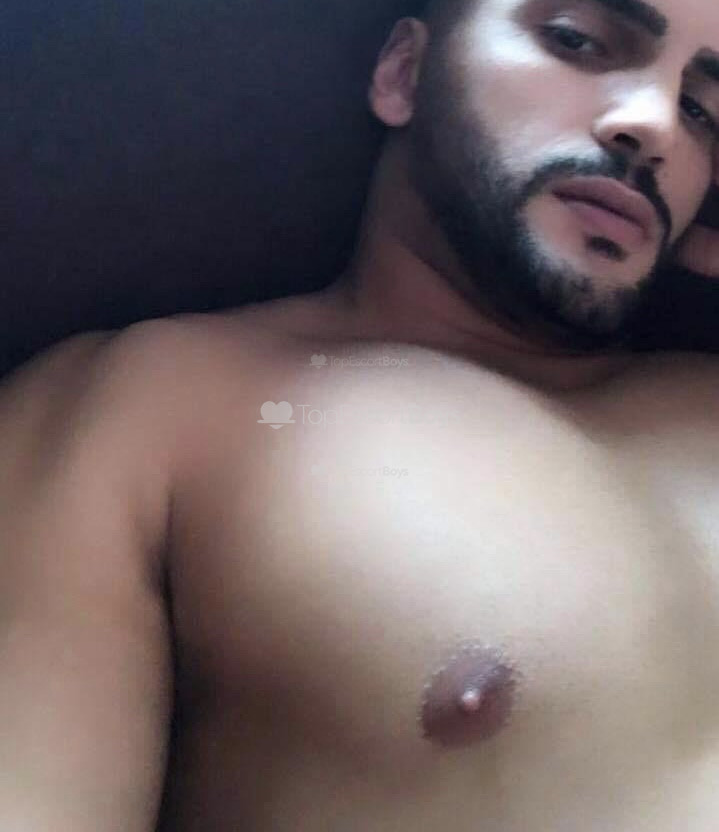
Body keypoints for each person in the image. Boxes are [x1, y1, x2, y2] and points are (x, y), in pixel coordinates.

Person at [3, 0, 719, 828]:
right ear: (403, 74)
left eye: (702, 111)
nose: (655, 127)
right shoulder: (141, 408)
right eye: (577, 40)